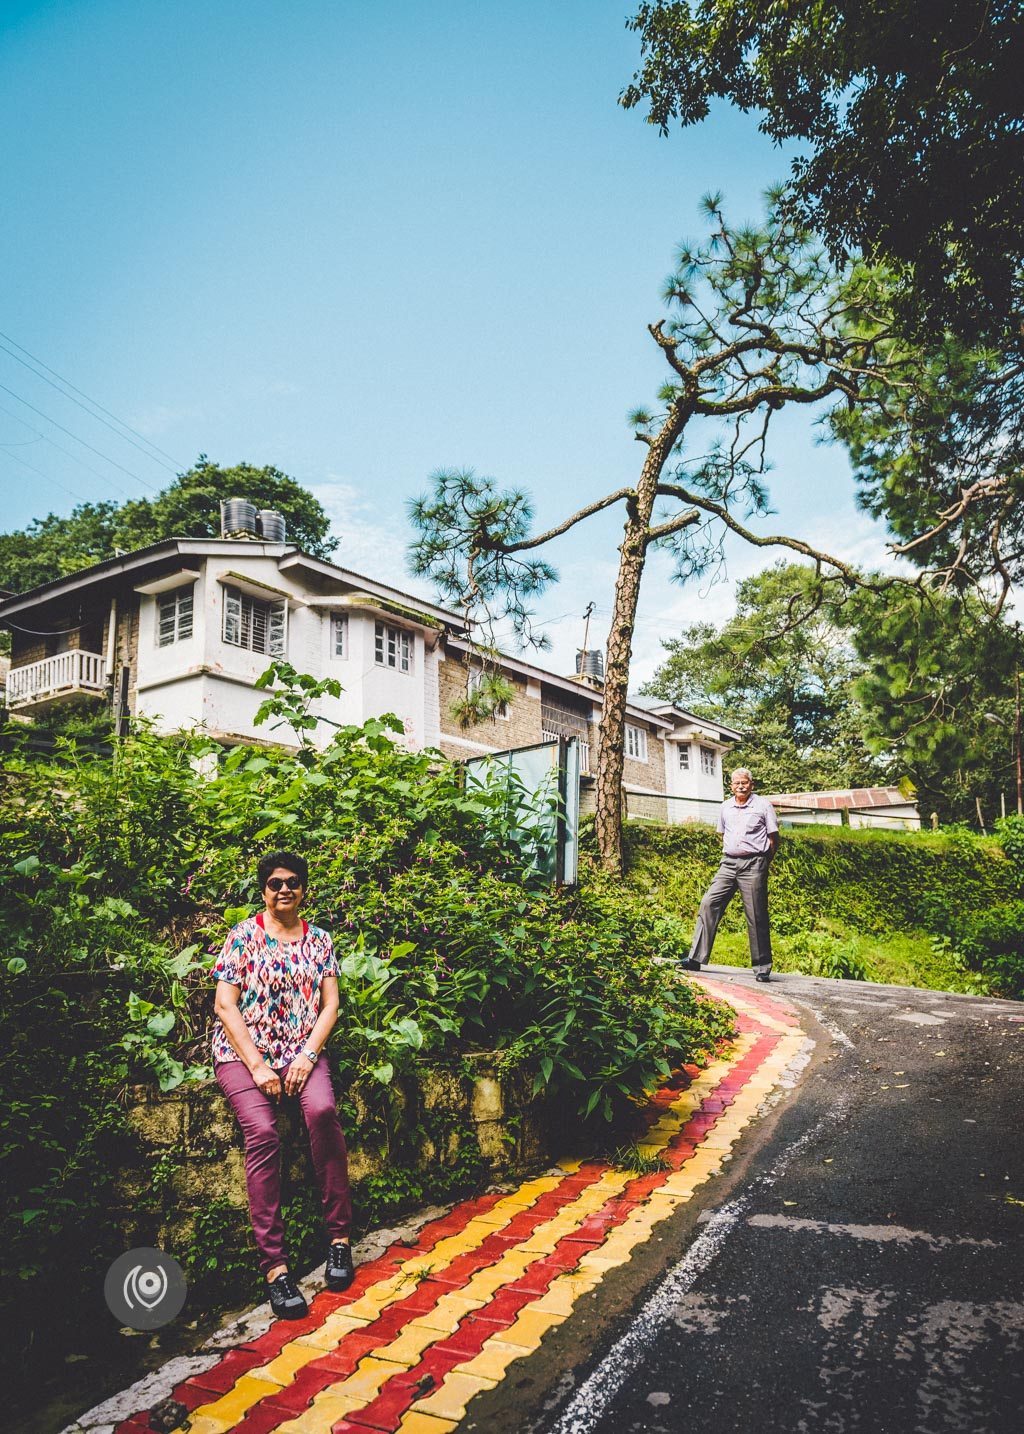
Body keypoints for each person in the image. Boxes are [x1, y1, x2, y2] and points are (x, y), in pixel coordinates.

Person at [213, 850, 355, 1321]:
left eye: (293, 882)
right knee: (264, 1133)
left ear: (304, 889)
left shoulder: (320, 941)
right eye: (275, 883)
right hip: (243, 1055)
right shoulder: (242, 937)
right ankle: (275, 1268)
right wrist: (256, 1066)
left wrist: (307, 1057)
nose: (284, 889)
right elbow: (225, 1007)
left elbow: (330, 1005)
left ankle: (338, 1239)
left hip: (301, 1053)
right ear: (263, 890)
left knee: (322, 1113)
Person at [682, 768, 780, 982]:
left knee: (756, 914)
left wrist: (763, 862)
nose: (741, 786)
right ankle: (695, 958)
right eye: (736, 783)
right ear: (731, 786)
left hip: (754, 863)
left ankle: (762, 967)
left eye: (744, 782)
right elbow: (723, 834)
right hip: (728, 863)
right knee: (709, 902)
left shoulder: (763, 805)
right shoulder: (725, 807)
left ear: (751, 784)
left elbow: (774, 838)